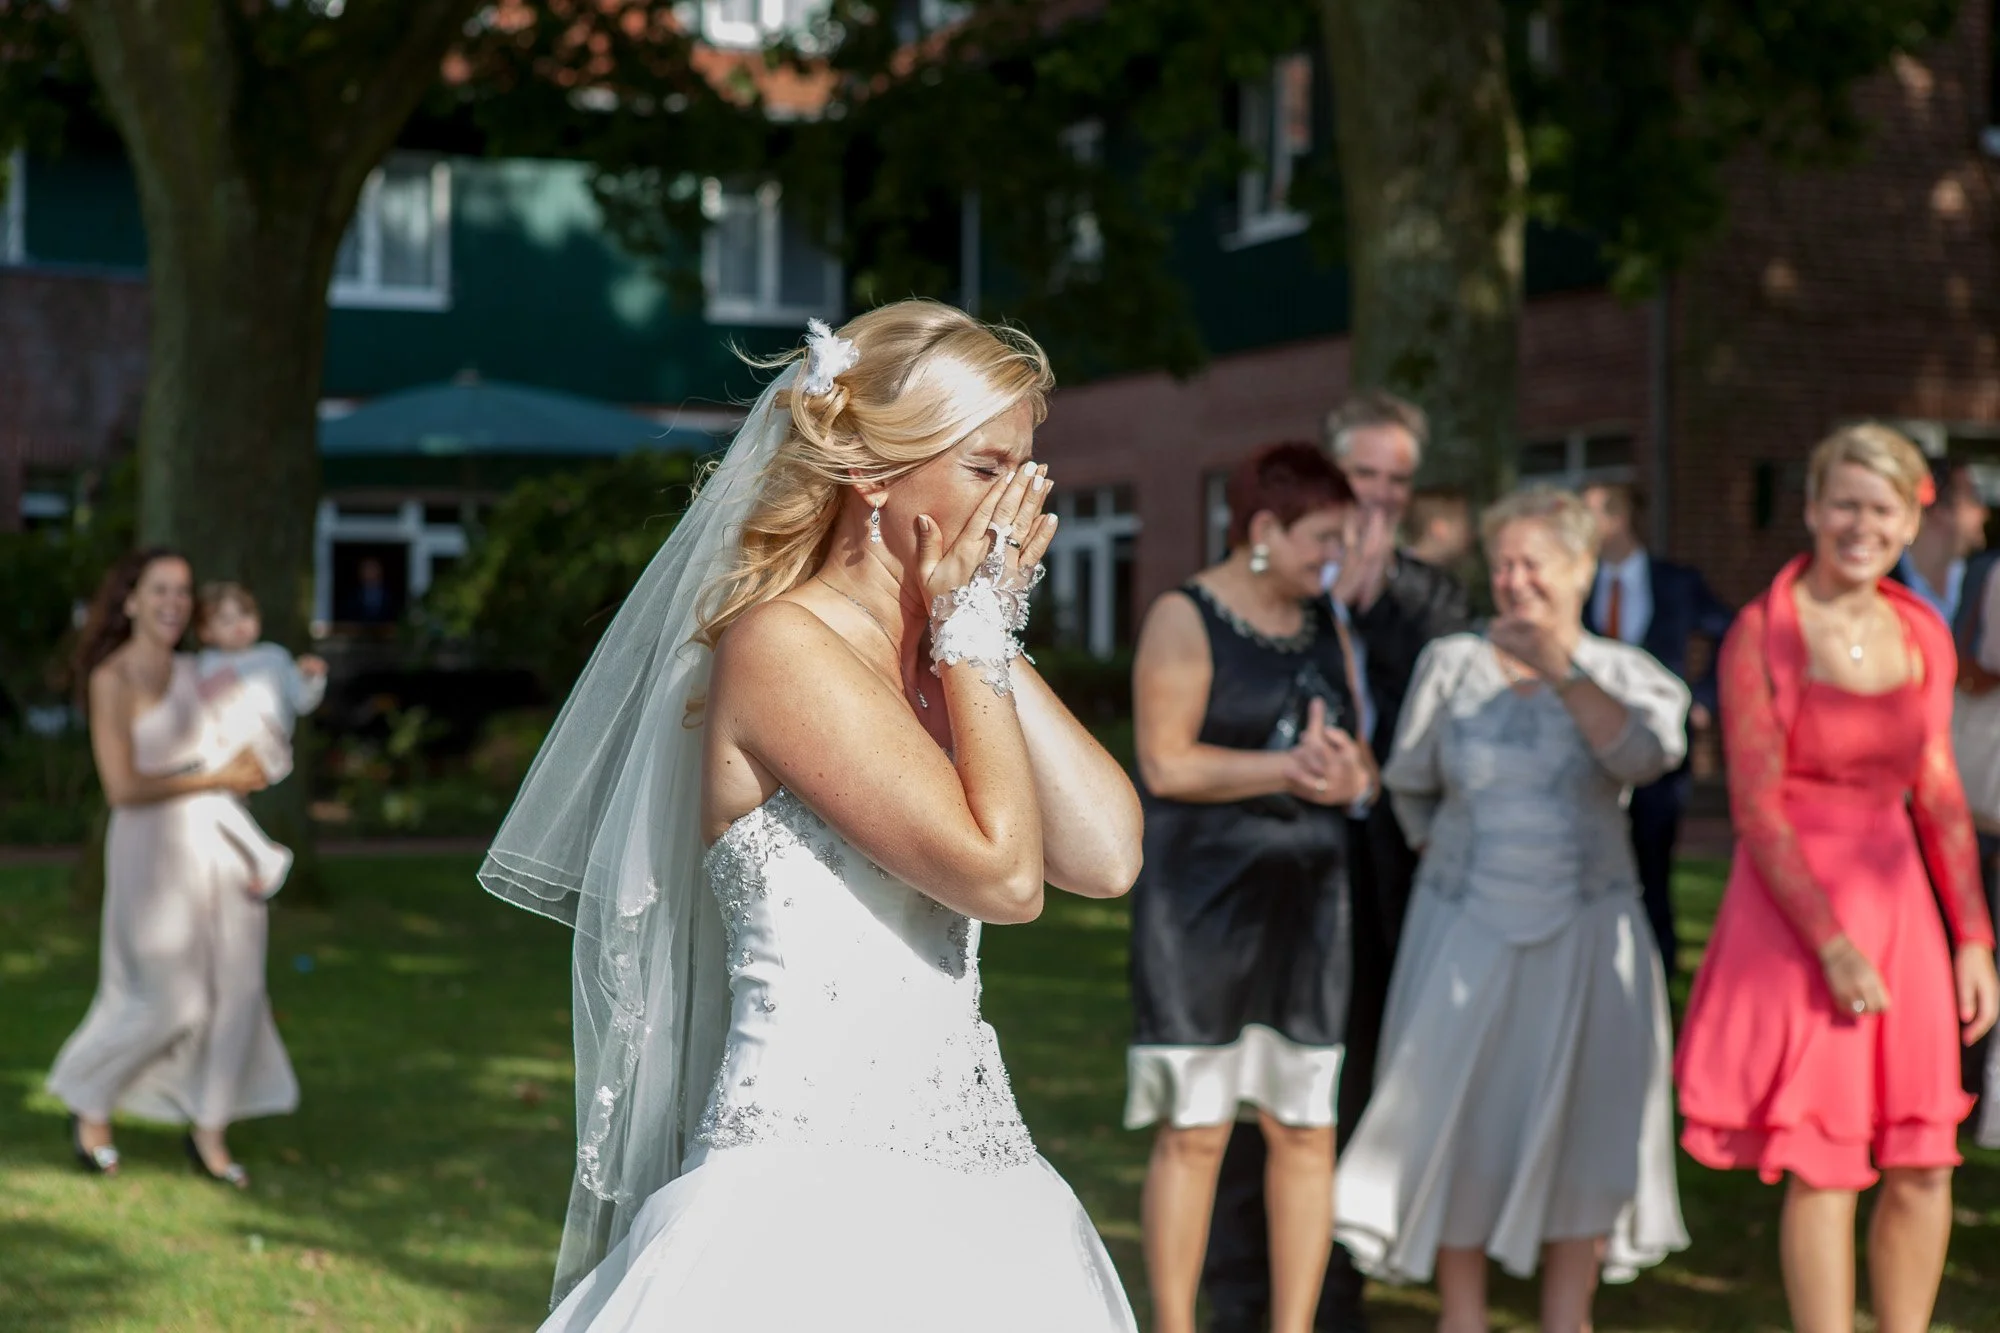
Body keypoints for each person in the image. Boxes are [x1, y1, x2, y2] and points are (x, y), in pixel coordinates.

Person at [481, 303, 1145, 1332]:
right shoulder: (781, 647)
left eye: (1027, 472)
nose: (1015, 510)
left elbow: (1103, 858)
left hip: (981, 1181)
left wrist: (983, 636)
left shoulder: (954, 655)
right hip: (805, 1183)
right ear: (874, 474)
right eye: (985, 469)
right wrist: (972, 638)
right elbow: (1004, 878)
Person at [1334, 488, 1690, 1333]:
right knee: (1456, 1115)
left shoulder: (1625, 673)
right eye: (1502, 563)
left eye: (1534, 562)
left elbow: (1646, 756)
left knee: (1583, 1123)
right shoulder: (1451, 665)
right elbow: (1411, 780)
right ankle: (1463, 1318)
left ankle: (1568, 1318)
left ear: (1580, 567)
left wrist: (1565, 669)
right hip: (1462, 931)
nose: (1514, 579)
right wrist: (1443, 852)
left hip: (1588, 930)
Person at [1676, 423, 2000, 1333]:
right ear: (1814, 509)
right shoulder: (1762, 633)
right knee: (1824, 1157)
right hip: (1794, 917)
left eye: (1882, 507)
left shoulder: (1922, 631)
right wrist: (1832, 944)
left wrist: (1972, 933)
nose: (1861, 524)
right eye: (1845, 503)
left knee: (1925, 1155)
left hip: (1901, 903)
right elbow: (1755, 807)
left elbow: (1936, 787)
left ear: (1909, 521)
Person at [1205, 389, 1471, 1333]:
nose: (1383, 498)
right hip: (1264, 872)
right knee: (1245, 1094)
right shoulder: (1270, 585)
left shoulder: (1430, 598)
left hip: (1381, 884)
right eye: (1365, 475)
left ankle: (1329, 1302)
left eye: (1400, 481)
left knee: (1344, 1097)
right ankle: (1236, 1295)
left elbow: (1440, 738)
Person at [1126, 443, 1375, 1333]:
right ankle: (1173, 1324)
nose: (1333, 558)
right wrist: (1286, 767)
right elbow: (1164, 760)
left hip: (1311, 910)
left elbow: (1358, 754)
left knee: (1304, 1127)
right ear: (1264, 530)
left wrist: (1353, 779)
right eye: (1322, 538)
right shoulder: (1184, 616)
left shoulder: (1329, 623)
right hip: (1201, 914)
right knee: (1194, 1130)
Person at [47, 549, 295, 1188]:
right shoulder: (114, 678)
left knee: (237, 993)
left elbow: (259, 732)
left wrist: (261, 751)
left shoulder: (201, 670)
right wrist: (213, 776)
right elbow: (123, 788)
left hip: (223, 843)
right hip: (150, 851)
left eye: (183, 592)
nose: (173, 603)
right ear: (130, 600)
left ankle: (210, 1132)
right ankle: (88, 1098)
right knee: (169, 1000)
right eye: (159, 590)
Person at [1579, 481, 1734, 978]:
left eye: (1590, 516)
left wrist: (1704, 699)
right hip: (1591, 750)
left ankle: (1654, 973)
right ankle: (1597, 967)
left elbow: (1728, 629)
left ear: (1618, 517)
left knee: (1654, 861)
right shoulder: (1577, 585)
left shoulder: (1674, 582)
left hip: (1659, 749)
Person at [191, 581, 329, 896]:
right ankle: (262, 856)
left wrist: (313, 678)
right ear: (206, 632)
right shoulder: (204, 665)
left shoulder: (273, 658)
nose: (238, 625)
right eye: (225, 620)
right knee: (206, 801)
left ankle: (268, 857)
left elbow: (301, 701)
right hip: (221, 750)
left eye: (244, 615)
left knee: (205, 795)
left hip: (266, 747)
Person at [1893, 458, 1988, 623]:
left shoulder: (1982, 581)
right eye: (1973, 498)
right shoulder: (1881, 579)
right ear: (1940, 510)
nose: (1984, 512)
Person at [1403, 486, 1472, 572]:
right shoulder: (1400, 577)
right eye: (1462, 524)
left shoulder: (1404, 572)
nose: (1471, 533)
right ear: (1439, 529)